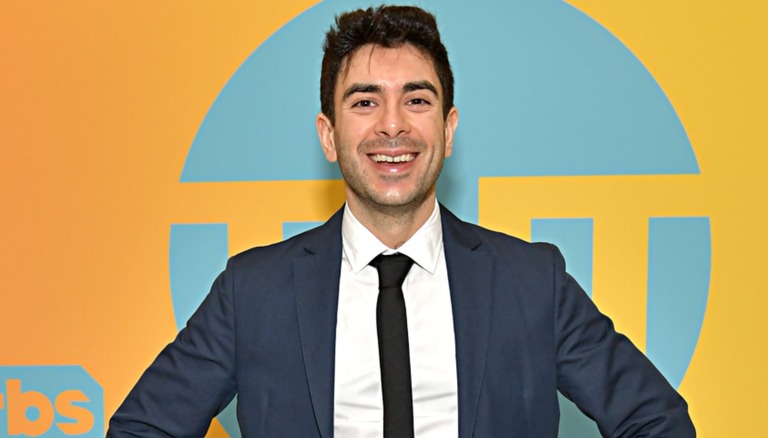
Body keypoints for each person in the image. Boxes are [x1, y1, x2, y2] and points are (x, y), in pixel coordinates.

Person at [108, 5, 695, 437]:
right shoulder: (253, 291)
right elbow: (141, 429)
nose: (393, 126)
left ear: (449, 127)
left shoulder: (530, 281)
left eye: (417, 100)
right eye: (365, 102)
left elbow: (658, 422)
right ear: (329, 135)